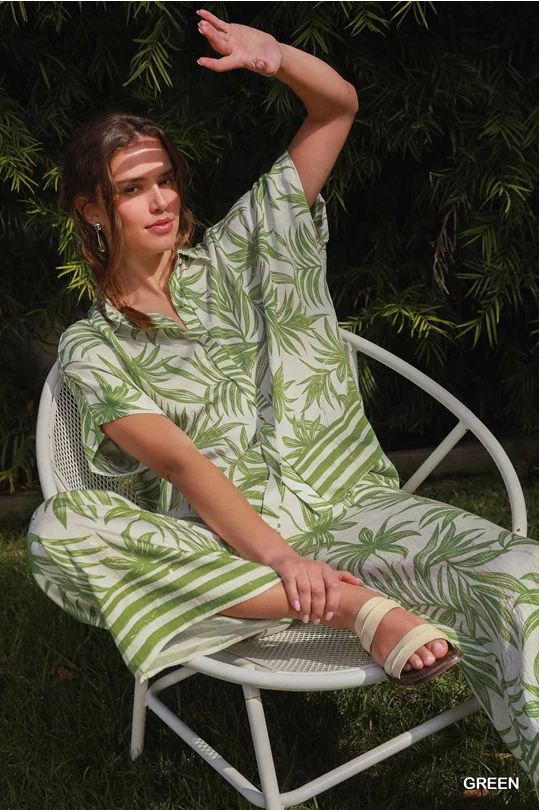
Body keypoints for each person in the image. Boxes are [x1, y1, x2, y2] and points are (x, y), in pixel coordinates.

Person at [26, 8, 539, 797]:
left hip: (354, 510)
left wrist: (276, 58)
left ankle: (501, 768)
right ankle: (354, 608)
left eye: (165, 180)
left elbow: (335, 110)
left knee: (521, 577)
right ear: (92, 210)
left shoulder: (245, 247)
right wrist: (282, 558)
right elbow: (184, 466)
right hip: (236, 556)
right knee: (59, 530)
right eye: (132, 189)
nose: (159, 201)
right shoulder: (93, 348)